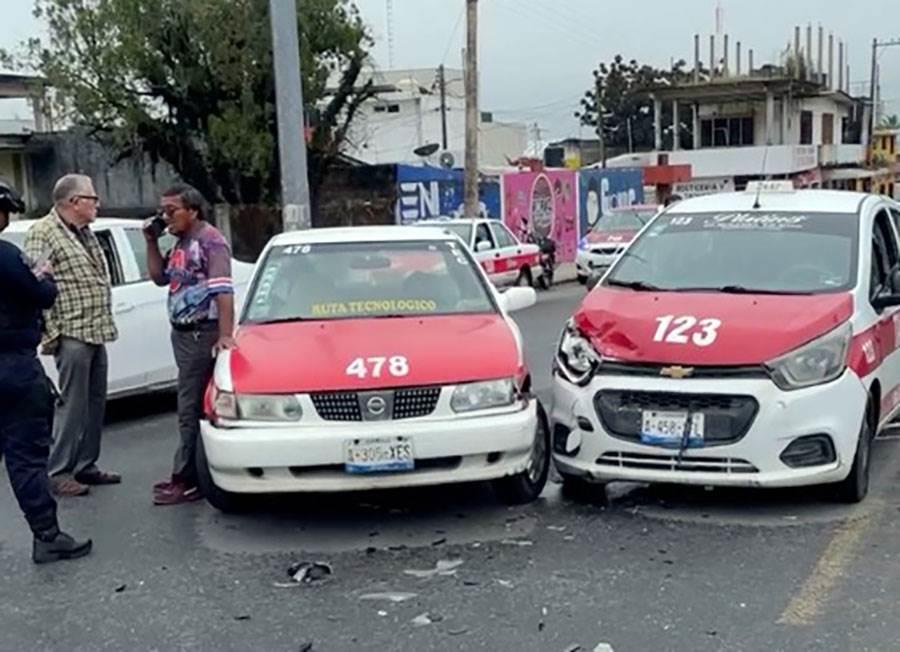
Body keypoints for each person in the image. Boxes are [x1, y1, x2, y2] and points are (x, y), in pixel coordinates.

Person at [0, 179, 92, 563]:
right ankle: (47, 535)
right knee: (25, 458)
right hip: (12, 367)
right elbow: (43, 293)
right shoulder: (6, 256)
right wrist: (45, 275)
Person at [24, 174, 120, 498]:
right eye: (92, 198)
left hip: (95, 328)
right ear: (74, 202)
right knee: (73, 404)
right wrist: (53, 329)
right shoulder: (44, 232)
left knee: (94, 403)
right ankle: (60, 470)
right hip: (72, 331)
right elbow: (35, 284)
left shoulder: (83, 232)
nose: (97, 204)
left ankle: (85, 464)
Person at [144, 184, 235, 505]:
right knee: (190, 404)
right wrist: (152, 241)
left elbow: (223, 290)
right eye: (162, 211)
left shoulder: (210, 242)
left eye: (172, 210)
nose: (165, 217)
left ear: (193, 210)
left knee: (190, 406)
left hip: (201, 333)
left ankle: (186, 478)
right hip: (182, 333)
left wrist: (225, 335)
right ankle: (189, 473)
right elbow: (159, 277)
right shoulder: (182, 241)